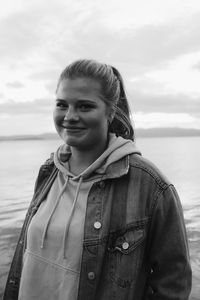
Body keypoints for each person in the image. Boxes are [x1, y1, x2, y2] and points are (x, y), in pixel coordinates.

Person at [4, 59, 191, 300]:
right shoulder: (49, 171)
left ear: (110, 111)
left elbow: (173, 283)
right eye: (62, 105)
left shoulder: (150, 186)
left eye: (84, 106)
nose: (69, 116)